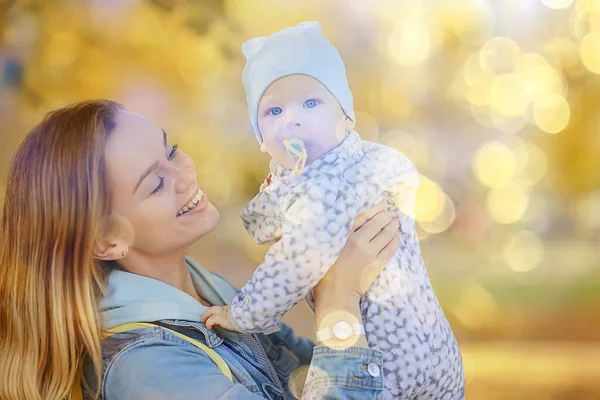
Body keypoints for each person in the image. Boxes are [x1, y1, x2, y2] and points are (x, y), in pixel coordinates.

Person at [0, 99, 403, 400]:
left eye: (171, 151)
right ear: (107, 241)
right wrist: (338, 303)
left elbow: (335, 374)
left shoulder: (212, 297)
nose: (184, 175)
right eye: (155, 183)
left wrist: (324, 271)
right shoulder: (147, 367)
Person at [201, 22, 464, 399]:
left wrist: (241, 315)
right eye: (273, 110)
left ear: (347, 117)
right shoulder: (366, 163)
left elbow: (290, 265)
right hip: (437, 348)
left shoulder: (321, 190)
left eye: (311, 103)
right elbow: (268, 221)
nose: (293, 118)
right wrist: (279, 192)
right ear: (262, 140)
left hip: (382, 360)